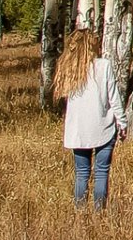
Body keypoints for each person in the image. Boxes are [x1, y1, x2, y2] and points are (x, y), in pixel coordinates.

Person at [53, 27, 127, 209]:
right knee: (102, 172)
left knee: (81, 173)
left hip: (78, 130)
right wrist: (122, 121)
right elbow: (114, 96)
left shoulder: (68, 70)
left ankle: (80, 212)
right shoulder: (104, 65)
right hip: (103, 126)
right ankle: (98, 212)